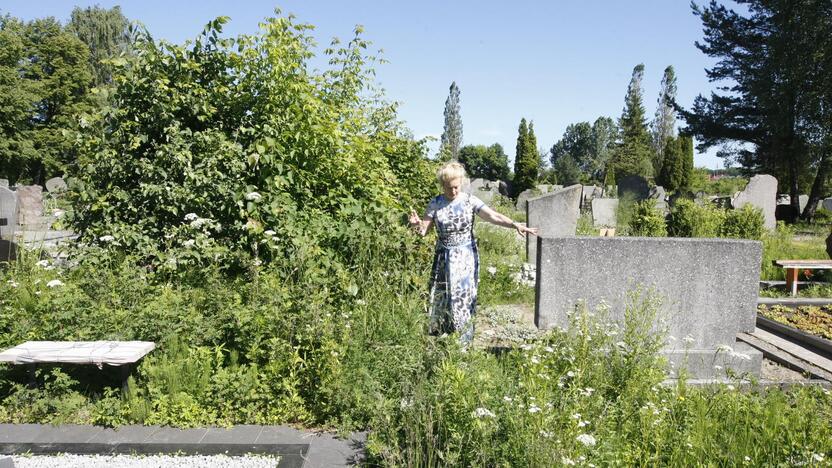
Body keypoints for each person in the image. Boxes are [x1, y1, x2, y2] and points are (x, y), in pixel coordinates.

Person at [409, 162, 538, 345]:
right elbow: (423, 231)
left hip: (465, 257)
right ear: (442, 185)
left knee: (462, 296)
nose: (453, 191)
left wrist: (514, 224)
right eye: (448, 188)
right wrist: (416, 226)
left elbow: (493, 216)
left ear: (460, 183)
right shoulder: (436, 203)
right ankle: (444, 341)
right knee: (443, 297)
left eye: (456, 187)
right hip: (443, 259)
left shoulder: (470, 200)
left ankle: (463, 343)